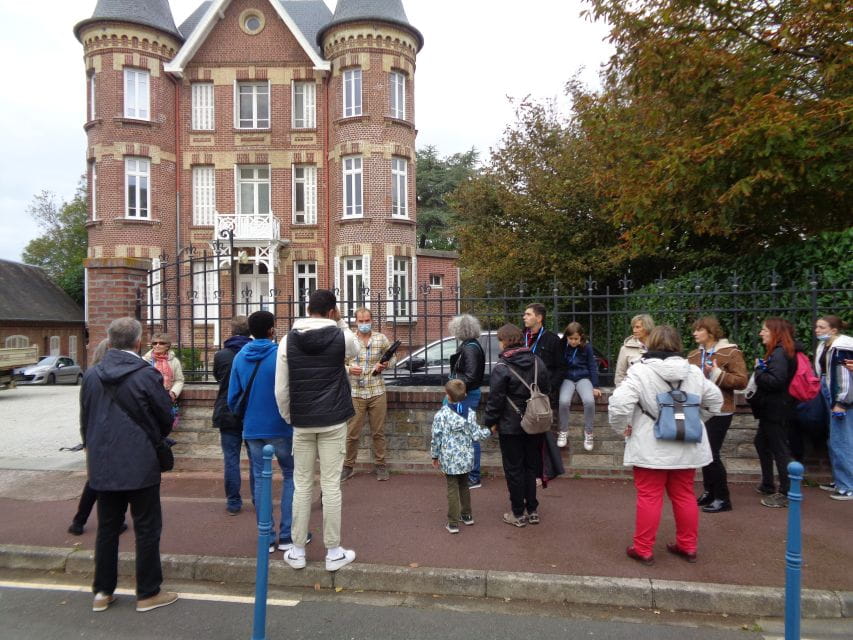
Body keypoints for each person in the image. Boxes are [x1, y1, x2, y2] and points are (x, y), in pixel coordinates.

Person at [79, 317, 178, 612]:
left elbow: (85, 421)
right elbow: (165, 416)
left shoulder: (93, 375)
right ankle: (148, 592)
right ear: (138, 342)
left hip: (103, 462)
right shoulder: (146, 375)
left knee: (108, 528)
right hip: (140, 460)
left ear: (110, 342)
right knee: (147, 527)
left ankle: (102, 592)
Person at [608, 325, 722, 566]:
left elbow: (619, 405)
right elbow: (715, 401)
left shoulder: (640, 371)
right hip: (686, 442)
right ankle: (687, 545)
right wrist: (695, 421)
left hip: (651, 444)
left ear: (650, 344)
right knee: (684, 494)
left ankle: (643, 548)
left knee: (650, 496)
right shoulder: (692, 372)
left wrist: (623, 428)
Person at [275, 289, 360, 572]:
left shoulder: (287, 341)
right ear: (333, 311)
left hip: (302, 422)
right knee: (331, 486)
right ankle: (333, 551)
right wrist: (341, 322)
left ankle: (297, 550)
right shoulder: (341, 335)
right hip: (334, 420)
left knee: (301, 485)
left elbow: (281, 388)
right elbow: (357, 349)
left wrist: (290, 417)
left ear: (307, 307)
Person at [228, 311, 299, 552]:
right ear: (271, 329)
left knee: (259, 478)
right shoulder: (281, 353)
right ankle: (288, 535)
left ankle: (266, 536)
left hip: (252, 427)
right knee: (291, 475)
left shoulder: (239, 357)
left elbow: (233, 397)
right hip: (281, 425)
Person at [484, 323, 551, 527]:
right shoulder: (538, 361)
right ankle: (532, 509)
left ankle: (517, 513)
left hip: (510, 425)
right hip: (535, 422)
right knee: (531, 467)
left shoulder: (502, 367)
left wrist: (489, 423)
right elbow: (547, 388)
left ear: (505, 341)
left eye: (500, 341)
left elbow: (495, 400)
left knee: (514, 469)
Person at [687, 316, 748, 513]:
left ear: (711, 332)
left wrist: (717, 374)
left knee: (712, 452)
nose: (695, 333)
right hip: (699, 409)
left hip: (721, 409)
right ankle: (709, 491)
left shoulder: (730, 352)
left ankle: (723, 498)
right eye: (695, 330)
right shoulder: (694, 355)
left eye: (699, 330)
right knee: (704, 451)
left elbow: (741, 381)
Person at [67, 338, 127, 537]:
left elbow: (84, 410)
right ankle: (114, 522)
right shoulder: (123, 375)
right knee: (116, 479)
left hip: (95, 434)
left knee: (95, 480)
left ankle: (79, 521)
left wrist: (85, 438)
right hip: (117, 433)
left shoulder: (90, 376)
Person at [748, 317, 797, 508]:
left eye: (764, 330)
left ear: (775, 332)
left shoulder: (779, 353)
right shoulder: (782, 352)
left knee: (780, 449)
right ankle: (768, 484)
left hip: (776, 409)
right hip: (775, 408)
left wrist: (759, 370)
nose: (761, 333)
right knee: (761, 442)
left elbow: (776, 381)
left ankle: (786, 492)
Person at [430, 380, 491, 533]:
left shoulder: (441, 415)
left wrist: (435, 455)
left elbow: (436, 437)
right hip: (466, 457)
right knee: (464, 485)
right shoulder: (470, 413)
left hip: (450, 459)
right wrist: (490, 431)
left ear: (448, 396)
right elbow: (476, 434)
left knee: (452, 488)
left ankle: (453, 523)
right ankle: (467, 515)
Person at [342, 307, 395, 482]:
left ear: (372, 320)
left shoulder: (381, 339)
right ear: (355, 322)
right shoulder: (349, 341)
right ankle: (348, 466)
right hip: (356, 392)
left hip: (377, 391)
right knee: (352, 433)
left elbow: (393, 358)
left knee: (378, 432)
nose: (364, 324)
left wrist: (384, 364)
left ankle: (381, 465)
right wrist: (349, 369)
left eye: (367, 321)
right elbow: (337, 363)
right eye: (361, 321)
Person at [212, 316, 255, 515]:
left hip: (227, 410)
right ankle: (258, 498)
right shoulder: (255, 353)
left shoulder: (221, 355)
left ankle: (233, 502)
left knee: (231, 458)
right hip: (252, 411)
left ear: (231, 331)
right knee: (256, 459)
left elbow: (218, 377)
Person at [814, 315, 853, 500]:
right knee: (834, 439)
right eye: (817, 327)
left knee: (842, 441)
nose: (817, 330)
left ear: (834, 330)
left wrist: (841, 402)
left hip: (839, 396)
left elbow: (844, 376)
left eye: (822, 327)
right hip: (827, 390)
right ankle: (840, 480)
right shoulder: (825, 346)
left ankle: (848, 486)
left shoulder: (841, 348)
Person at [448, 314, 486, 488]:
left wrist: (455, 389)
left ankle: (473, 476)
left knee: (470, 435)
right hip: (464, 395)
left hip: (465, 396)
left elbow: (470, 377)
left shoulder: (469, 348)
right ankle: (467, 472)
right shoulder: (470, 345)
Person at [556, 322, 602, 451]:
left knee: (589, 401)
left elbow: (592, 366)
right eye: (571, 339)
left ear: (581, 337)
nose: (573, 341)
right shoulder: (563, 347)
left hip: (583, 378)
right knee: (563, 401)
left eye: (576, 339)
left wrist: (596, 386)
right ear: (567, 337)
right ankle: (563, 431)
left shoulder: (587, 348)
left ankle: (588, 432)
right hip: (567, 378)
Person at [142, 333, 185, 402]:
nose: (157, 345)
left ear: (167, 346)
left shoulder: (174, 361)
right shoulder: (145, 360)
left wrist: (173, 392)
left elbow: (179, 380)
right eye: (155, 343)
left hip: (167, 396)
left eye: (161, 343)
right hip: (148, 397)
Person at [614, 314, 655, 386]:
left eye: (638, 327)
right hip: (633, 390)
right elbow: (620, 374)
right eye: (633, 327)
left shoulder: (658, 346)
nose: (634, 330)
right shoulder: (625, 349)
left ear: (647, 327)